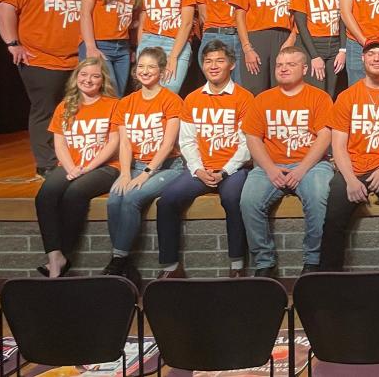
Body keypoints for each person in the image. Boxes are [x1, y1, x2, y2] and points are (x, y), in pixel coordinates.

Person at [155, 40, 254, 278]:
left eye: (219, 60)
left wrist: (225, 171)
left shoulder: (244, 98)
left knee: (232, 199)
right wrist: (198, 169)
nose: (213, 66)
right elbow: (187, 141)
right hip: (201, 169)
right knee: (166, 201)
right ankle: (171, 268)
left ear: (231, 64)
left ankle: (237, 265)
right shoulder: (192, 98)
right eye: (208, 61)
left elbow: (247, 145)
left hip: (233, 169)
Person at [319, 38, 379, 271]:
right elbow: (339, 145)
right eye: (371, 54)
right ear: (362, 58)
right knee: (333, 215)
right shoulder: (347, 97)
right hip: (352, 166)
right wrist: (351, 180)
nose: (376, 58)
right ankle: (327, 276)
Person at [239, 45, 335, 276]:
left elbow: (325, 137)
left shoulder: (319, 97)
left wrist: (301, 170)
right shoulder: (262, 100)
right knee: (248, 201)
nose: (283, 69)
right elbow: (253, 138)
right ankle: (264, 263)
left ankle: (313, 261)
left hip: (311, 165)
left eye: (290, 65)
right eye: (280, 65)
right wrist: (270, 169)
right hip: (270, 164)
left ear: (304, 69)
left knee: (319, 196)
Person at [0, 0, 87, 174]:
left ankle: (74, 156)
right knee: (45, 109)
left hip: (78, 61)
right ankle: (46, 164)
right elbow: (6, 7)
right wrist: (12, 43)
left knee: (78, 111)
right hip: (39, 58)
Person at [102, 47, 184, 283]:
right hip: (135, 165)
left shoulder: (171, 100)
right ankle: (124, 264)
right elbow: (125, 144)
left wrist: (146, 174)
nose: (145, 71)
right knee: (114, 197)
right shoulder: (126, 102)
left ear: (161, 71)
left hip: (168, 166)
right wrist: (126, 174)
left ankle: (117, 261)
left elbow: (168, 145)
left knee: (131, 198)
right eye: (141, 67)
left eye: (151, 67)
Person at [35, 57, 119, 277]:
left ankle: (64, 253)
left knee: (75, 193)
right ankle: (55, 256)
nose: (88, 80)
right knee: (45, 195)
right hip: (72, 164)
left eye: (94, 76)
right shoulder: (65, 106)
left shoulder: (112, 105)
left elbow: (114, 142)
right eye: (84, 75)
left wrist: (88, 167)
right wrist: (72, 168)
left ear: (103, 80)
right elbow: (59, 142)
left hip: (105, 166)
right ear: (76, 78)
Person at [138, 0, 197, 94]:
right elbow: (143, 19)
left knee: (170, 91)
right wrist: (140, 46)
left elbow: (187, 23)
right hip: (149, 41)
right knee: (148, 92)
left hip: (175, 43)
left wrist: (174, 56)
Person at [291, 0, 346, 94]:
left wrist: (343, 50)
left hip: (335, 46)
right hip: (312, 46)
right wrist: (314, 56)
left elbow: (342, 19)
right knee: (317, 93)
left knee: (332, 93)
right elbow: (301, 25)